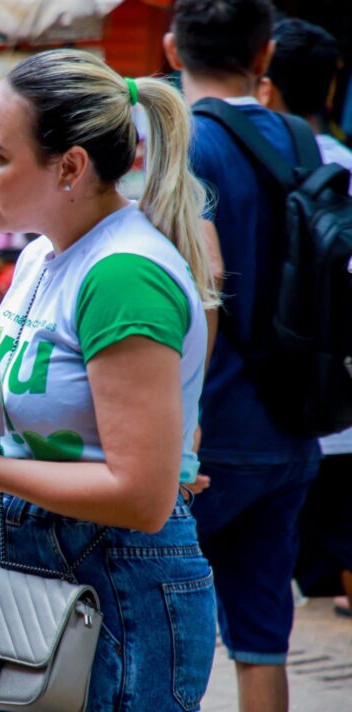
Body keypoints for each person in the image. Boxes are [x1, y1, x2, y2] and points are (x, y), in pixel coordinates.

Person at [0, 48, 218, 710]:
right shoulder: (42, 254)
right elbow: (61, 439)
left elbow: (140, 496)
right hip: (34, 587)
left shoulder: (123, 274)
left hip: (118, 595)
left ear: (70, 166)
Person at [163, 2, 322, 711]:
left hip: (208, 440)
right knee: (261, 643)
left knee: (163, 626)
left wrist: (179, 418)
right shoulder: (298, 138)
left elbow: (204, 285)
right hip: (291, 426)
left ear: (171, 49)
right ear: (265, 57)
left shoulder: (182, 143)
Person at [258, 17, 352, 621]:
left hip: (273, 405)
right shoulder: (343, 164)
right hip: (339, 402)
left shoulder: (259, 166)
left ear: (266, 84)